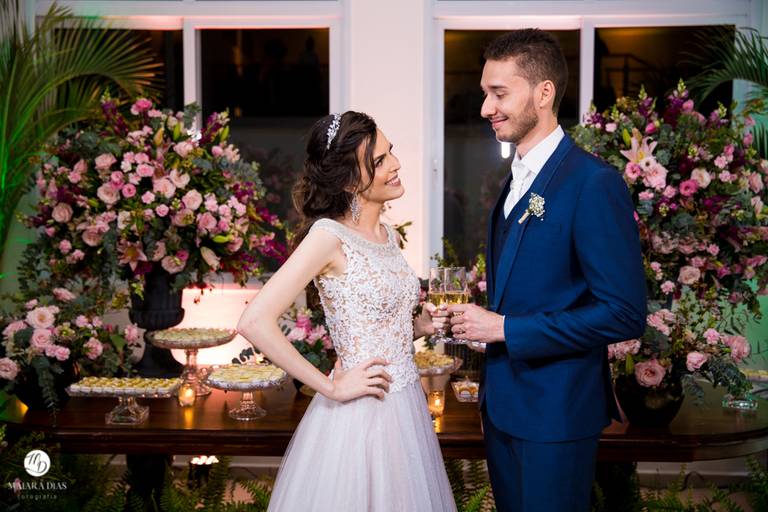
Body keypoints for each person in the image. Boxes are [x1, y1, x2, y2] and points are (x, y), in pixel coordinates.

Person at [432, 29, 647, 511]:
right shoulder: (513, 181)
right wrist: (477, 321)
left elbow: (623, 313)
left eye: (499, 93)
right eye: (486, 93)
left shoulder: (593, 183)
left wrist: (506, 328)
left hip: (556, 414)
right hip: (504, 410)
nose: (486, 108)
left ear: (543, 92)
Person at [237, 111, 456, 512]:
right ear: (351, 181)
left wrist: (417, 327)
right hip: (360, 415)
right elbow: (253, 321)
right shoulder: (327, 236)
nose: (395, 165)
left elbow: (374, 324)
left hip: (406, 407)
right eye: (379, 161)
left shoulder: (386, 234)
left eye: (391, 153)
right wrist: (331, 386)